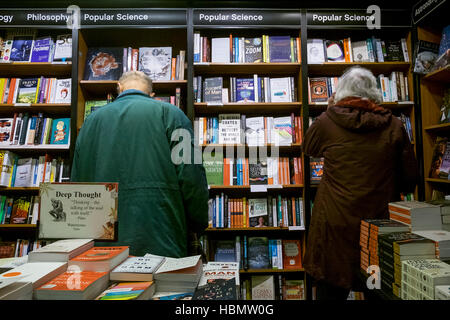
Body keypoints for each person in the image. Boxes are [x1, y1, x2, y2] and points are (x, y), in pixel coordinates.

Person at [303, 66, 418, 300]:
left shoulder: (327, 121)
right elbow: (410, 180)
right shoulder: (395, 125)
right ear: (375, 92)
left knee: (330, 290)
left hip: (334, 227)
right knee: (376, 287)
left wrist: (329, 109)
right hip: (377, 225)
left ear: (340, 92)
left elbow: (308, 148)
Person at [71, 70, 209, 258]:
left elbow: (78, 181)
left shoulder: (90, 122)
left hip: (102, 241)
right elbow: (192, 175)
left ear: (118, 88)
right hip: (161, 235)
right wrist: (197, 224)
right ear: (152, 94)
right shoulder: (173, 115)